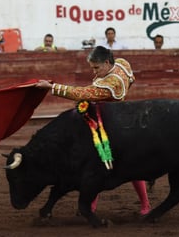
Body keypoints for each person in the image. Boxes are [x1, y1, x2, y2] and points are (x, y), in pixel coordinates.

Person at [35, 46, 150, 216]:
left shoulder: (111, 84)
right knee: (118, 165)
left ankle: (142, 205)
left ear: (106, 62)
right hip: (121, 119)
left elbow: (80, 92)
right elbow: (131, 79)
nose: (94, 71)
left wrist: (51, 87)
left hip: (111, 126)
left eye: (96, 68)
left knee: (101, 165)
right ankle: (142, 205)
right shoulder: (122, 63)